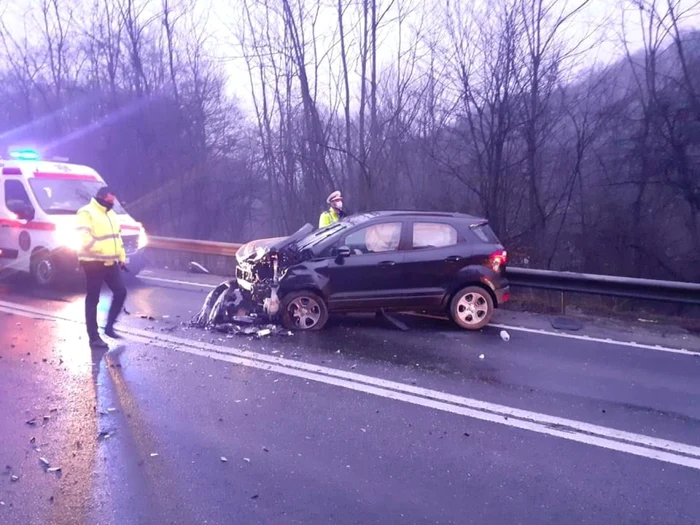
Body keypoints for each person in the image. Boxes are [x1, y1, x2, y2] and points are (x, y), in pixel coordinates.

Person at [76, 187, 128, 348]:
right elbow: (83, 238)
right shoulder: (86, 213)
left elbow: (117, 238)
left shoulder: (111, 215)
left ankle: (109, 327)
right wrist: (104, 251)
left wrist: (121, 257)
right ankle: (94, 337)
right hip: (92, 262)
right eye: (109, 201)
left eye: (113, 201)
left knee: (121, 292)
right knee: (93, 298)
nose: (111, 204)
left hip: (110, 262)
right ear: (100, 197)